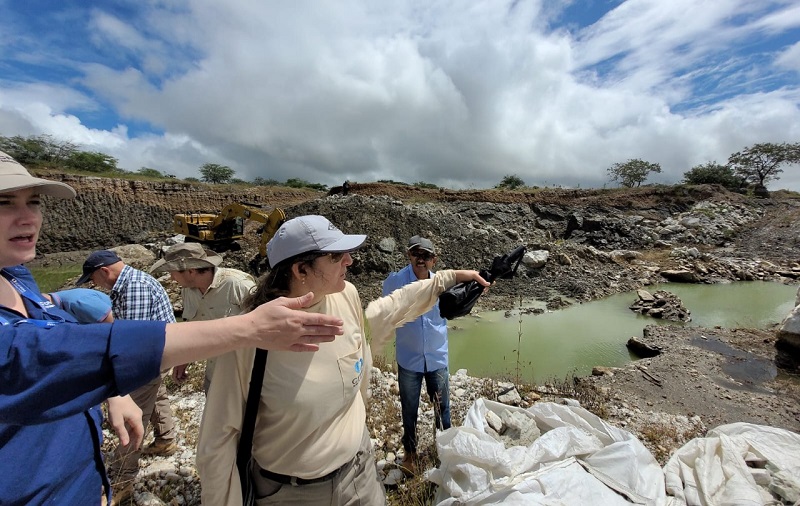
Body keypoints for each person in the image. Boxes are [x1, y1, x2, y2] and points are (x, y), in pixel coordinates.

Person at [0, 150, 344, 506]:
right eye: (5, 202)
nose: (28, 217)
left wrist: (114, 392)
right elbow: (36, 356)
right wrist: (250, 327)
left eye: (34, 201)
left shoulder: (16, 278)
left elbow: (61, 335)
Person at [196, 215, 489, 506]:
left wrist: (449, 279)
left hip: (360, 474)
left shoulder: (345, 295)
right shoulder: (251, 335)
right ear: (300, 269)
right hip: (292, 494)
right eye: (337, 256)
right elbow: (217, 444)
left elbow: (387, 311)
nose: (350, 261)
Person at [77, 249, 179, 503]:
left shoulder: (135, 286)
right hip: (159, 354)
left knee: (132, 413)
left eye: (92, 279)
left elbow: (134, 340)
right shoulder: (129, 283)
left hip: (151, 356)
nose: (94, 285)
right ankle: (166, 439)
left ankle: (123, 479)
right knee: (155, 393)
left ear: (104, 271)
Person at [382, 236, 450, 474]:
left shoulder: (443, 284)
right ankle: (410, 454)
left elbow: (460, 303)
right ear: (409, 255)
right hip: (409, 359)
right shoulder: (395, 282)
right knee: (408, 410)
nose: (420, 260)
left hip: (437, 358)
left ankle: (445, 455)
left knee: (443, 410)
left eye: (426, 256)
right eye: (415, 254)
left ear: (434, 260)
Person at [150, 242, 256, 393]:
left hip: (245, 378)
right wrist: (184, 358)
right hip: (214, 376)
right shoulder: (188, 292)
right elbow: (192, 330)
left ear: (191, 271)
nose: (172, 278)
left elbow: (266, 326)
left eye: (173, 272)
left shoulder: (238, 285)